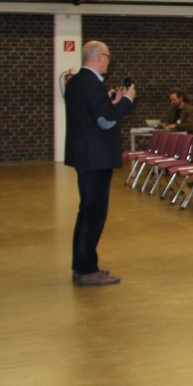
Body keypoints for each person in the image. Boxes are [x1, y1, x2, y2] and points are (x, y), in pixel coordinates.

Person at [64, 40, 136, 286]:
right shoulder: (92, 83)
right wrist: (126, 101)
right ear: (100, 57)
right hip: (95, 157)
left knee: (88, 211)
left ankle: (85, 265)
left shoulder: (76, 82)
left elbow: (96, 113)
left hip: (84, 154)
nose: (109, 61)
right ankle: (86, 269)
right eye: (108, 57)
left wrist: (110, 103)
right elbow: (106, 121)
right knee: (93, 214)